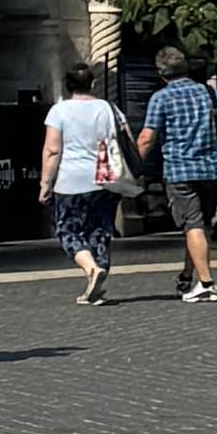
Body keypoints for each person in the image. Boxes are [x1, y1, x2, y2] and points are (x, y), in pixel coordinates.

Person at [38, 62, 138, 306]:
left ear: (68, 85)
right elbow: (128, 139)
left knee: (67, 229)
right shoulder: (108, 108)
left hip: (71, 180)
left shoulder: (59, 111)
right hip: (105, 179)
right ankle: (98, 282)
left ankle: (91, 269)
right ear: (93, 84)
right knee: (101, 230)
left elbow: (52, 149)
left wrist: (45, 183)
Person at [142, 47, 217, 306]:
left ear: (162, 74)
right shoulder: (209, 93)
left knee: (192, 225)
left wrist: (134, 165)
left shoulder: (161, 97)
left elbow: (148, 137)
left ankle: (206, 284)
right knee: (199, 227)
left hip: (179, 169)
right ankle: (187, 275)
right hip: (209, 168)